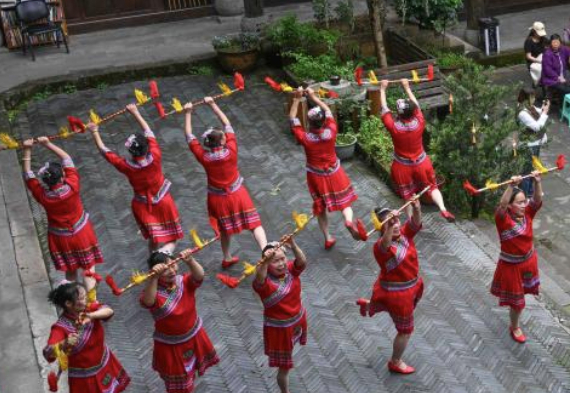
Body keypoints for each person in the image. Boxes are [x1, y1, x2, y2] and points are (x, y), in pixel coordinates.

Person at [45, 281, 130, 393]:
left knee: (110, 388)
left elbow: (109, 310)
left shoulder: (87, 310)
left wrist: (91, 315)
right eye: (82, 297)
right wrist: (64, 344)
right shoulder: (60, 328)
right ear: (69, 304)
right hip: (86, 377)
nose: (86, 299)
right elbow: (49, 352)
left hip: (102, 362)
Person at [184, 96, 269, 266]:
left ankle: (227, 257)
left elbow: (189, 135)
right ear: (223, 140)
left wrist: (188, 113)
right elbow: (227, 124)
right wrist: (213, 104)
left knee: (224, 229)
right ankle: (266, 250)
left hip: (217, 199)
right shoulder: (231, 150)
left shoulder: (204, 157)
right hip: (237, 193)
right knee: (254, 223)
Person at [140, 250, 219, 393]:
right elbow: (149, 301)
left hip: (194, 336)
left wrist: (190, 261)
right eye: (165, 269)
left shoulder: (184, 282)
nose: (171, 270)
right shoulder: (153, 291)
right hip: (172, 346)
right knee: (183, 385)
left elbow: (199, 276)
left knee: (190, 376)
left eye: (173, 265)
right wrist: (152, 279)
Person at [89, 104, 182, 253]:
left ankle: (154, 259)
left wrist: (95, 132)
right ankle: (163, 254)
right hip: (163, 201)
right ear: (147, 148)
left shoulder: (126, 166)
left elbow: (105, 152)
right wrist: (135, 112)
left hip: (142, 205)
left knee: (154, 237)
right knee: (172, 237)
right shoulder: (156, 155)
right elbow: (149, 132)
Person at [22, 138, 104, 292]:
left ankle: (72, 301)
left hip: (60, 239)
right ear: (61, 178)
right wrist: (48, 144)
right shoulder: (72, 186)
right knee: (88, 269)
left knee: (70, 272)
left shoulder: (43, 196)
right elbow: (67, 159)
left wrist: (27, 150)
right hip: (81, 233)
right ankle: (92, 303)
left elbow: (28, 175)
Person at [290, 89, 365, 248]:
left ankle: (328, 237)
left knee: (320, 208)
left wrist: (297, 100)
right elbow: (328, 110)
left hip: (316, 176)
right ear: (323, 121)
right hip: (335, 172)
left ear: (309, 123)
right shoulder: (331, 131)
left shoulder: (305, 138)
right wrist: (314, 97)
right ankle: (348, 221)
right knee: (345, 203)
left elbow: (292, 118)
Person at [357, 200, 424, 375]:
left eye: (396, 221)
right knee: (405, 331)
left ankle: (371, 304)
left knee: (404, 323)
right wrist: (388, 226)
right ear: (381, 228)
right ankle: (395, 361)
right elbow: (385, 245)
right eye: (389, 223)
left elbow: (415, 223)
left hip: (410, 288)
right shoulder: (379, 247)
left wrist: (416, 209)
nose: (395, 225)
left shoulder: (403, 234)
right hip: (398, 296)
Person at [377, 79, 455, 221]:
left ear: (399, 114)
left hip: (402, 166)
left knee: (407, 196)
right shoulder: (419, 121)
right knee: (433, 187)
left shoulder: (393, 127)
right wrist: (407, 87)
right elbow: (417, 105)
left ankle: (412, 221)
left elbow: (384, 108)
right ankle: (443, 209)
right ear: (412, 112)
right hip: (421, 162)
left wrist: (382, 89)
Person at [252, 238, 308, 393]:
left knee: (288, 361)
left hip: (296, 322)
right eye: (275, 261)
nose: (281, 263)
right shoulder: (264, 283)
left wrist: (294, 244)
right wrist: (265, 261)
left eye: (283, 258)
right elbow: (259, 277)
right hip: (279, 330)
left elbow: (302, 261)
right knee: (285, 367)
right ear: (267, 264)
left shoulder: (291, 270)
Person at [492, 173, 545, 343]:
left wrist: (537, 182)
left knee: (522, 294)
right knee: (517, 302)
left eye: (524, 202)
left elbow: (537, 200)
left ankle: (515, 323)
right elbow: (501, 205)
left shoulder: (528, 214)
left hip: (528, 262)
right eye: (520, 203)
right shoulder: (503, 220)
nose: (524, 205)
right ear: (510, 206)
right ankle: (515, 327)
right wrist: (510, 186)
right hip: (511, 267)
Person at [517, 90, 550, 197]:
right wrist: (544, 113)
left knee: (533, 169)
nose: (534, 99)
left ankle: (531, 192)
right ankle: (526, 195)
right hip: (528, 145)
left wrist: (544, 108)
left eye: (534, 97)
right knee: (526, 172)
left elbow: (538, 112)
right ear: (526, 98)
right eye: (532, 97)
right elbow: (536, 126)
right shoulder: (522, 112)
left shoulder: (529, 107)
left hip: (535, 143)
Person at [538, 34, 570, 102]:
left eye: (557, 42)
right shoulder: (547, 54)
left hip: (562, 77)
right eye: (554, 42)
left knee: (568, 89)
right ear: (551, 43)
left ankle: (564, 103)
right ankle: (564, 105)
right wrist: (558, 78)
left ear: (560, 43)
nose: (555, 44)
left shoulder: (562, 49)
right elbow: (548, 70)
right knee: (568, 91)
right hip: (551, 79)